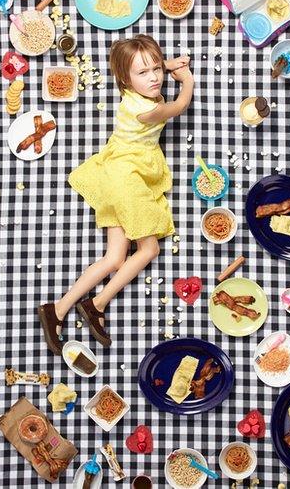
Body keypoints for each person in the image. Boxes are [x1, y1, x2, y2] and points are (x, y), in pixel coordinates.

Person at [37, 34, 194, 355]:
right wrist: (186, 78)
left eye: (155, 69)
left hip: (116, 167)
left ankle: (58, 308)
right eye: (144, 73)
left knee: (114, 258)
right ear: (125, 78)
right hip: (127, 178)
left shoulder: (129, 86)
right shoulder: (147, 110)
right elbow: (180, 105)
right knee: (149, 250)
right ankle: (97, 302)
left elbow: (144, 68)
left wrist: (168, 65)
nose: (153, 78)